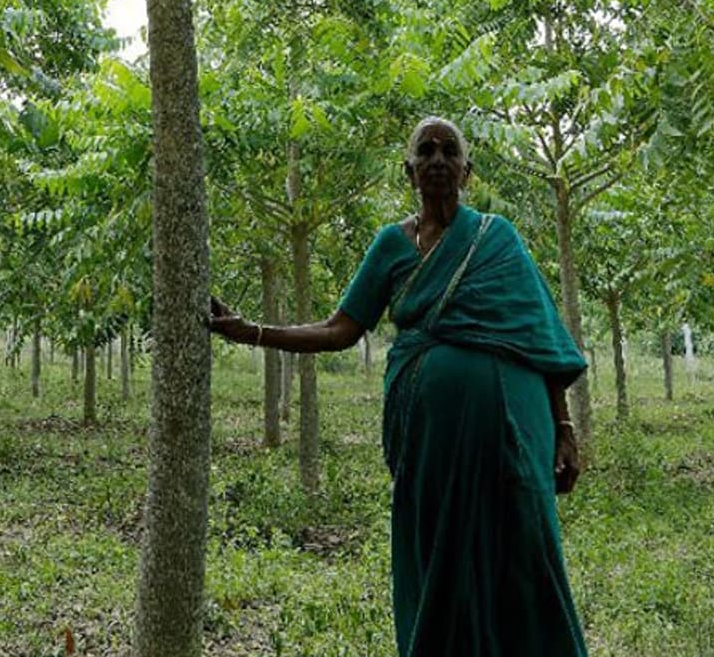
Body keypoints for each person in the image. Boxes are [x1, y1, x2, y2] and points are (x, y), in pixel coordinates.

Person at [208, 117, 589, 657]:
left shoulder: (497, 239)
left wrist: (565, 430)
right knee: (442, 549)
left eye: (448, 150)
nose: (437, 159)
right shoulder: (391, 245)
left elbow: (540, 342)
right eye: (425, 151)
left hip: (514, 432)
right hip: (430, 440)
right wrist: (253, 332)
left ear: (467, 170)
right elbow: (340, 328)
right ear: (407, 171)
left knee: (525, 547)